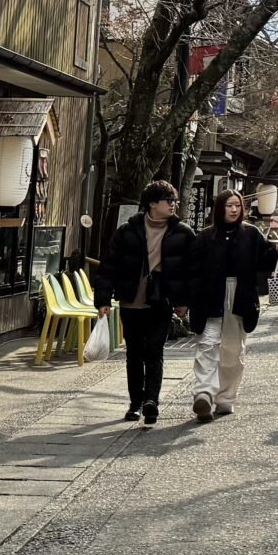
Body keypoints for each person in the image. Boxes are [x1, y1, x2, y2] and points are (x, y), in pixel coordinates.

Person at [98, 181, 191, 427]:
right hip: (131, 300)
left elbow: (190, 270)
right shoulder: (128, 231)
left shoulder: (182, 232)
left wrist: (183, 301)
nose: (173, 205)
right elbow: (108, 266)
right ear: (152, 203)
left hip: (161, 300)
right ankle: (135, 403)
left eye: (175, 201)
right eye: (168, 200)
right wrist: (103, 300)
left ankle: (151, 401)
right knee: (134, 354)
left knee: (155, 351)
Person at [185, 190, 273, 423]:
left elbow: (264, 263)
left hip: (239, 295)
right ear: (220, 208)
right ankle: (203, 393)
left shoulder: (252, 234)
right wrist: (188, 300)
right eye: (229, 205)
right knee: (207, 345)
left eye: (237, 205)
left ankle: (225, 399)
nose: (234, 210)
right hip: (209, 295)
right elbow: (192, 270)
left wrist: (277, 251)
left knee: (233, 352)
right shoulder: (205, 237)